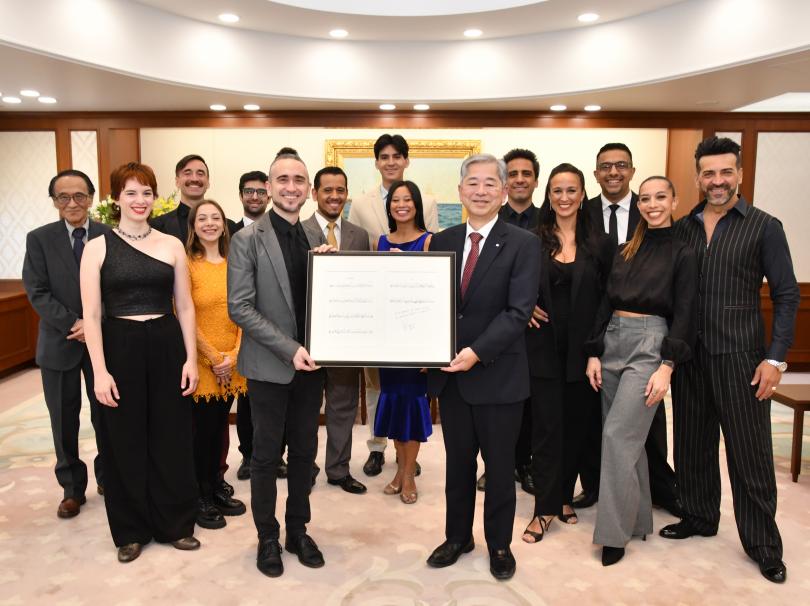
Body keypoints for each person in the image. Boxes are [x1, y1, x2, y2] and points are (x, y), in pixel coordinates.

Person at [661, 137, 800, 584]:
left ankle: (763, 545)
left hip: (741, 358)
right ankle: (699, 516)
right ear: (698, 177)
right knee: (691, 444)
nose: (717, 181)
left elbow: (787, 295)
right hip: (690, 358)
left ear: (739, 174)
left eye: (725, 172)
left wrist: (775, 360)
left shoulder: (764, 226)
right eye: (708, 173)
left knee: (749, 455)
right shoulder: (684, 227)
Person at [425, 154, 540, 581]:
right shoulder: (443, 240)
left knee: (499, 468)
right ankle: (457, 537)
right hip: (452, 379)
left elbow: (518, 311)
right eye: (472, 183)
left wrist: (475, 351)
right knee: (458, 466)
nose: (480, 190)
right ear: (460, 191)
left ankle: (499, 545)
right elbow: (430, 303)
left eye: (490, 183)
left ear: (504, 192)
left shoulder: (523, 243)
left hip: (498, 375)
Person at [80, 162, 200, 563]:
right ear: (116, 198)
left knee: (172, 435)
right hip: (120, 344)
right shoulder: (97, 247)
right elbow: (91, 315)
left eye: (146, 192)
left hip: (166, 342)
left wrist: (191, 359)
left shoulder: (172, 244)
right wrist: (99, 371)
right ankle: (130, 531)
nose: (139, 200)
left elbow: (185, 306)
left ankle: (176, 524)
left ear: (155, 197)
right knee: (124, 439)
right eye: (130, 192)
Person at [228, 150, 331, 578]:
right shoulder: (246, 239)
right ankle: (267, 536)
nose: (291, 187)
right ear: (269, 188)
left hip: (314, 367)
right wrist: (289, 349)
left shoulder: (316, 237)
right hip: (270, 365)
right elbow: (240, 307)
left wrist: (332, 268)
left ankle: (297, 530)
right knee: (267, 456)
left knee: (305, 453)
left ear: (308, 190)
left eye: (299, 180)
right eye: (283, 180)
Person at [584, 176, 697, 566]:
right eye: (645, 199)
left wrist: (668, 366)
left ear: (674, 201)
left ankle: (613, 535)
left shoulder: (683, 252)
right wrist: (594, 352)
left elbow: (686, 312)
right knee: (627, 440)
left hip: (650, 344)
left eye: (660, 197)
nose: (652, 205)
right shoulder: (624, 249)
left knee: (617, 436)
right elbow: (604, 301)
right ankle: (636, 520)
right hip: (612, 340)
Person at [576, 143, 680, 515]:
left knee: (643, 423)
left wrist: (668, 361)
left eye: (621, 165)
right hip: (602, 327)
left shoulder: (654, 216)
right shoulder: (582, 213)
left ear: (632, 171)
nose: (613, 171)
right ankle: (598, 488)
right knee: (601, 420)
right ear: (596, 173)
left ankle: (658, 491)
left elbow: (682, 299)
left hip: (649, 333)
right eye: (605, 166)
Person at [522, 163, 614, 543]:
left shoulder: (601, 244)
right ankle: (543, 509)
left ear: (582, 195)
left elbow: (608, 300)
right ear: (548, 195)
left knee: (576, 430)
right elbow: (512, 284)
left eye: (571, 190)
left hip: (585, 352)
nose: (564, 197)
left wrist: (596, 350)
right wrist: (524, 306)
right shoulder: (531, 240)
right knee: (546, 431)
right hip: (542, 349)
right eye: (557, 191)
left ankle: (562, 496)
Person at [348, 134, 439, 477]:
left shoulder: (428, 202)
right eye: (384, 157)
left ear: (406, 160)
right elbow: (356, 251)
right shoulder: (361, 204)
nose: (390, 162)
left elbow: (436, 268)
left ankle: (408, 458)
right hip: (382, 322)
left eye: (396, 156)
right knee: (377, 388)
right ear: (376, 162)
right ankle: (377, 447)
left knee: (411, 395)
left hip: (414, 324)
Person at [22, 169, 111, 518]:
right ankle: (72, 489)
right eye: (64, 197)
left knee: (107, 414)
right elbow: (37, 291)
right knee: (63, 419)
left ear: (91, 198)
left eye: (79, 196)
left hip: (103, 341)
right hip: (59, 341)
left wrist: (94, 323)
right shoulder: (39, 239)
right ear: (54, 202)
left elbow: (118, 287)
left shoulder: (109, 235)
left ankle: (109, 477)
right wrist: (75, 323)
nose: (72, 203)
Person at [302, 166, 370, 495]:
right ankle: (305, 467)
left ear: (347, 193)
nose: (334, 196)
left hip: (347, 340)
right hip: (307, 340)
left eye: (340, 190)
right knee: (305, 411)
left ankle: (339, 469)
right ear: (315, 193)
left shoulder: (359, 236)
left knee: (343, 407)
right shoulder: (297, 231)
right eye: (327, 190)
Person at [478, 148, 542, 496]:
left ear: (535, 180)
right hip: (496, 330)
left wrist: (529, 303)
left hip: (537, 329)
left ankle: (525, 463)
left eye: (525, 173)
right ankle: (495, 465)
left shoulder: (546, 220)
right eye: (512, 174)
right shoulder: (487, 219)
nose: (519, 179)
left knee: (528, 403)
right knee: (493, 403)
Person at [186, 199, 248, 529]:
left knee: (221, 426)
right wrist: (213, 357)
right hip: (202, 361)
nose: (209, 223)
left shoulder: (236, 263)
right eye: (202, 218)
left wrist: (234, 355)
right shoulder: (187, 264)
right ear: (193, 226)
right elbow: (183, 313)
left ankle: (215, 485)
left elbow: (246, 308)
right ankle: (200, 495)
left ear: (224, 225)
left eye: (215, 218)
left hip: (232, 361)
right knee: (203, 432)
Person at [372, 180, 433, 504]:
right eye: (395, 200)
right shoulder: (380, 242)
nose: (401, 205)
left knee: (411, 407)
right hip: (388, 341)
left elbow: (433, 294)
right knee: (394, 407)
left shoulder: (428, 241)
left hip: (416, 341)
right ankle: (399, 471)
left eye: (408, 199)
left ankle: (409, 475)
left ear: (417, 204)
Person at [231, 170, 270, 481]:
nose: (254, 197)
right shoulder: (227, 233)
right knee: (245, 400)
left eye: (260, 191)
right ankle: (247, 455)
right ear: (241, 195)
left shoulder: (279, 231)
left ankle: (275, 455)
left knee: (273, 399)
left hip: (272, 326)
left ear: (268, 195)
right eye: (248, 191)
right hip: (237, 325)